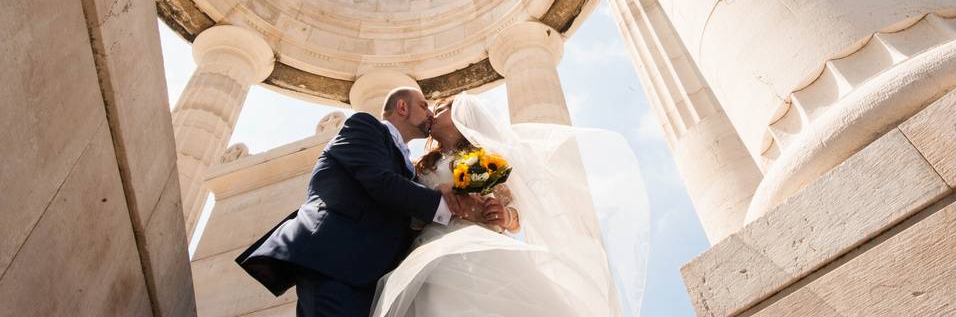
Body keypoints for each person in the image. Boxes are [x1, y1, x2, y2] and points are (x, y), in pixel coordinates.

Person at [368, 94, 648, 316]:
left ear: (459, 116)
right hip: (429, 247)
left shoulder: (487, 160)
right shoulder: (421, 166)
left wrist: (504, 215)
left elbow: (516, 215)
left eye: (439, 110)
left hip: (478, 245)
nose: (431, 115)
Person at [235, 87, 482, 316]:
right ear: (402, 108)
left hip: (373, 278)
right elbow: (380, 181)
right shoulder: (364, 126)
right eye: (424, 105)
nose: (430, 113)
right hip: (335, 262)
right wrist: (451, 207)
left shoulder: (411, 166)